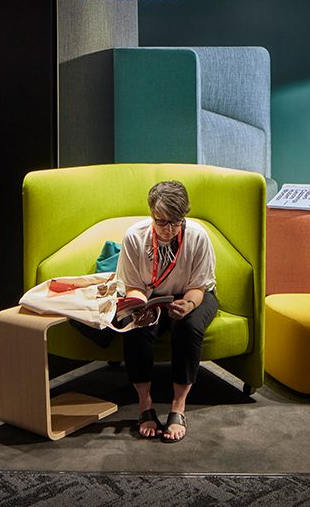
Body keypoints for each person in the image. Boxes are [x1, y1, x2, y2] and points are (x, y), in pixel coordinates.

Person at [116, 180, 217, 443]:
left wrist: (190, 304)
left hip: (191, 294)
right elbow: (133, 286)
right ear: (151, 214)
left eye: (175, 222)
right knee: (136, 326)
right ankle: (145, 404)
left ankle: (178, 406)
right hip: (148, 295)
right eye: (161, 222)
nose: (168, 229)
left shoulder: (198, 236)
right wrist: (139, 305)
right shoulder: (134, 236)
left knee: (188, 327)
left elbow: (198, 287)